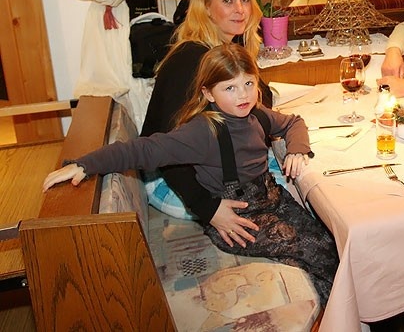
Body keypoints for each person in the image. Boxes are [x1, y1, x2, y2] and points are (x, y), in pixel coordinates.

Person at [44, 44, 338, 305]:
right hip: (237, 219)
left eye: (248, 83)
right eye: (230, 88)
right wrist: (84, 164)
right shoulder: (202, 131)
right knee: (318, 252)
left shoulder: (257, 113)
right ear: (208, 93)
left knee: (330, 240)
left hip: (274, 201)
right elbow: (143, 150)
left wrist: (297, 149)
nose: (243, 95)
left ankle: (341, 313)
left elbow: (293, 123)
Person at [141, 0, 273, 225]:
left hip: (209, 165)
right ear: (206, 8)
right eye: (228, 1)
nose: (240, 9)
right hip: (171, 181)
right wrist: (208, 209)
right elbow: (167, 146)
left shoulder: (224, 49)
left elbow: (262, 100)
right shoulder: (190, 59)